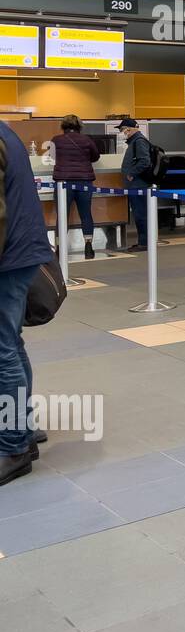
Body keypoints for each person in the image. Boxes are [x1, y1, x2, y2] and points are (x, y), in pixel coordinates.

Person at [0, 119, 57, 485]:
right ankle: (23, 429)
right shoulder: (6, 131)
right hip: (20, 254)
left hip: (7, 257)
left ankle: (13, 447)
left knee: (2, 351)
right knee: (11, 346)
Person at [50, 115, 100, 259]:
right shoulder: (87, 140)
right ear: (79, 126)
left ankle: (59, 248)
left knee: (62, 215)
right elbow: (95, 156)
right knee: (86, 214)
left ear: (63, 126)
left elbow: (52, 156)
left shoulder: (56, 140)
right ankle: (89, 246)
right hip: (84, 181)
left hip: (63, 182)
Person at [117, 117, 152, 252]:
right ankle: (143, 242)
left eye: (122, 130)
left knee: (141, 214)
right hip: (136, 184)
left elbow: (144, 161)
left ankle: (144, 243)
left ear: (129, 129)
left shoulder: (139, 142)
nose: (122, 132)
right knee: (140, 214)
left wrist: (131, 174)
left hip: (138, 184)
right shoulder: (135, 142)